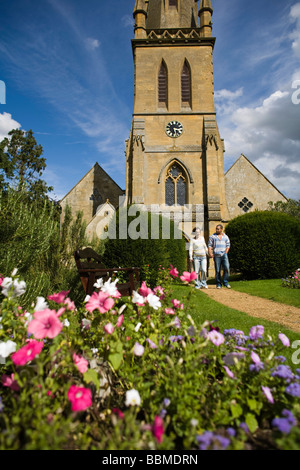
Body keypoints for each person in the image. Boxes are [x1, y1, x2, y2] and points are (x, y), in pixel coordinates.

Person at [208, 224, 231, 289]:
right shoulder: (212, 236)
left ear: (221, 229)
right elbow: (210, 245)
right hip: (216, 255)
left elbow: (228, 245)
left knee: (226, 268)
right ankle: (218, 284)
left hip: (224, 255)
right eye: (216, 229)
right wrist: (210, 253)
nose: (217, 230)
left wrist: (226, 252)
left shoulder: (225, 237)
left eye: (218, 229)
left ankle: (225, 282)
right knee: (217, 270)